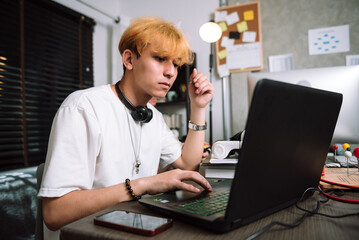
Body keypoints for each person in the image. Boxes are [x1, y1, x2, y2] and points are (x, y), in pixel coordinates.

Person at [38, 16, 214, 239]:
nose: (171, 72)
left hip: (132, 228)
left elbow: (189, 164)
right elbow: (55, 213)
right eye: (160, 58)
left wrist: (198, 108)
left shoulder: (154, 117)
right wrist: (143, 185)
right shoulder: (83, 107)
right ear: (129, 59)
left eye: (176, 64)